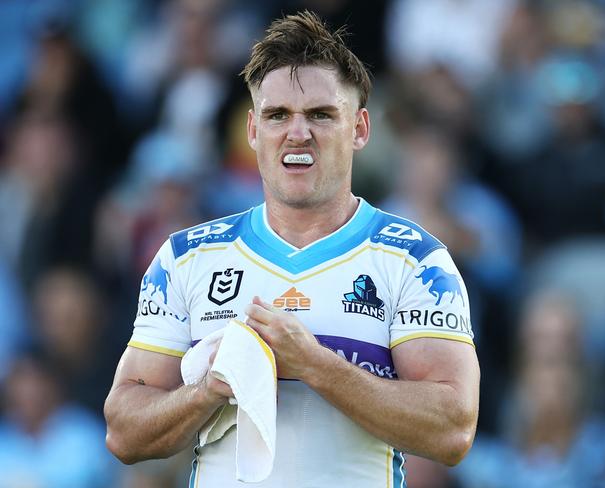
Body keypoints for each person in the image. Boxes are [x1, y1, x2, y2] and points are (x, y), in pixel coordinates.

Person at [104, 10, 480, 488]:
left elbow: (453, 429)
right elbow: (123, 431)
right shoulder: (187, 258)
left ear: (360, 128)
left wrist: (314, 363)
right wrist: (209, 390)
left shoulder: (414, 260)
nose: (297, 132)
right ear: (253, 131)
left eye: (321, 115)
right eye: (277, 115)